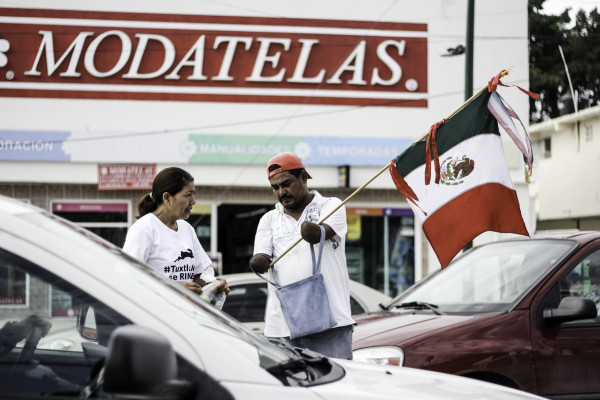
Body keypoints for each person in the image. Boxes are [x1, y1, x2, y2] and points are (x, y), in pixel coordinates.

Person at [250, 152, 354, 359]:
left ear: (304, 178)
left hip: (331, 325)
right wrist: (258, 262)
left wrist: (311, 230)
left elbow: (319, 233)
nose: (281, 192)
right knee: (286, 391)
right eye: (275, 187)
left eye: (286, 184)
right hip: (281, 329)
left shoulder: (330, 205)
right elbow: (261, 257)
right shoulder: (269, 219)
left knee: (336, 388)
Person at [123, 167, 229, 303]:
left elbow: (199, 274)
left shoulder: (186, 229)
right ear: (167, 197)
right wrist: (171, 286)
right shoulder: (144, 228)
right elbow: (127, 276)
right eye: (188, 194)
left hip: (182, 316)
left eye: (194, 194)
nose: (194, 201)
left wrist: (214, 285)